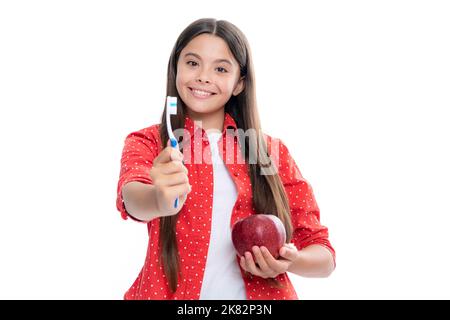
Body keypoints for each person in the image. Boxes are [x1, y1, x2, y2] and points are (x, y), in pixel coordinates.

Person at [116, 18, 335, 300]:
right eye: (192, 63)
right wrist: (159, 198)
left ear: (239, 84)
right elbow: (132, 198)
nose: (203, 76)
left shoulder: (270, 153)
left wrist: (290, 261)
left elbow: (323, 255)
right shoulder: (149, 142)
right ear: (175, 68)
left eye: (220, 68)